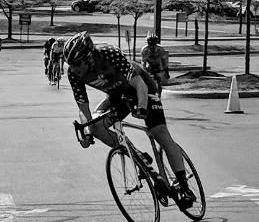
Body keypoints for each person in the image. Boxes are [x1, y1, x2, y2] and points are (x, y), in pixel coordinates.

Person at [62, 31, 195, 209]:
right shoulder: (74, 73)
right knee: (95, 126)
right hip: (118, 95)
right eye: (70, 64)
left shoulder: (108, 54)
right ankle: (138, 157)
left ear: (89, 57)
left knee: (159, 132)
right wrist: (85, 132)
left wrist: (141, 107)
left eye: (77, 63)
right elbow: (83, 107)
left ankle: (184, 186)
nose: (74, 68)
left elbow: (139, 83)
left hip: (143, 88)